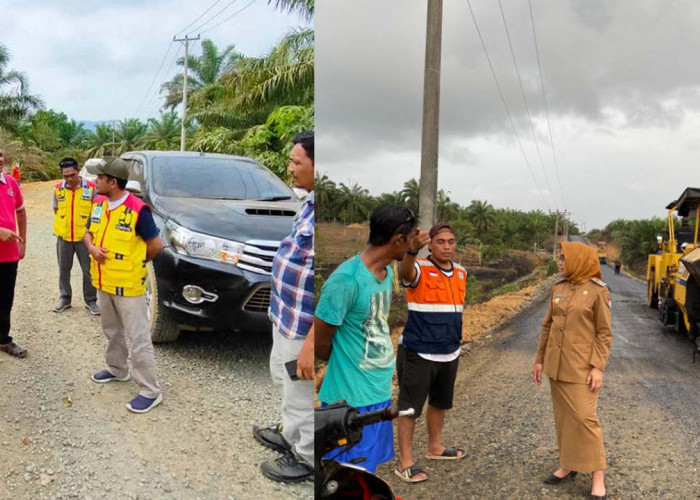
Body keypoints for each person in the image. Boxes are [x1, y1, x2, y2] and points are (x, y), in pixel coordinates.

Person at [315, 204, 418, 473]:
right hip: (351, 400)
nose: (409, 246)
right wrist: (343, 363)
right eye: (408, 241)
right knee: (346, 474)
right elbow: (320, 340)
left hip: (378, 392)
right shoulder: (345, 281)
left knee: (366, 473)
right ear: (398, 239)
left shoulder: (386, 273)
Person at [255, 132, 315, 483]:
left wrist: (312, 342)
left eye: (297, 162)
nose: (290, 168)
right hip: (286, 316)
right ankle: (291, 434)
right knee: (284, 379)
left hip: (304, 325)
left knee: (301, 390)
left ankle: (306, 458)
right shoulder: (308, 203)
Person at [532, 241, 612, 500]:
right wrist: (540, 360)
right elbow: (547, 326)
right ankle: (569, 464)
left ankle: (597, 475)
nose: (560, 263)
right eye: (560, 258)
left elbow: (604, 333)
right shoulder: (559, 287)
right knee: (564, 419)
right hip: (557, 366)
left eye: (565, 258)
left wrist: (597, 367)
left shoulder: (598, 291)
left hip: (581, 368)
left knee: (584, 420)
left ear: (579, 260)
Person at [84, 157, 164, 413]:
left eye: (100, 178)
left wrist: (135, 262)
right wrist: (92, 248)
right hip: (104, 281)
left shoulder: (138, 210)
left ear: (113, 182)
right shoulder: (99, 204)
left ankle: (150, 390)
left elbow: (156, 246)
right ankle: (117, 370)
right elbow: (87, 232)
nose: (95, 182)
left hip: (128, 286)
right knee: (112, 330)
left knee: (139, 337)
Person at [394, 222, 467, 483]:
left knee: (440, 402)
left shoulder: (461, 272)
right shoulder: (419, 269)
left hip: (449, 351)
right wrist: (411, 252)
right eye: (441, 242)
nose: (447, 246)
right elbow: (404, 273)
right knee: (409, 408)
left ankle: (435, 447)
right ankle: (405, 461)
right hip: (418, 351)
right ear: (431, 245)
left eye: (451, 241)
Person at [52, 157, 99, 315]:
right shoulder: (58, 188)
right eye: (65, 176)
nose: (69, 179)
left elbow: (97, 213)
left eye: (72, 175)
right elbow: (56, 209)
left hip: (84, 239)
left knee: (88, 270)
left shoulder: (92, 188)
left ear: (78, 171)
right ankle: (65, 298)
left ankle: (91, 300)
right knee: (63, 269)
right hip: (64, 237)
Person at [0, 148, 27, 358]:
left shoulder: (10, 184)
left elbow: (21, 210)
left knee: (5, 298)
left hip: (8, 255)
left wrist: (23, 242)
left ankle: (3, 340)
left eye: (1, 159)